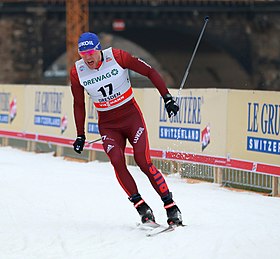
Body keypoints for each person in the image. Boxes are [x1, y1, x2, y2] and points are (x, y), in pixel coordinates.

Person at [70, 32, 183, 226]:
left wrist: (167, 97)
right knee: (117, 161)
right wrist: (80, 134)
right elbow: (78, 104)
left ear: (98, 50)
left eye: (90, 52)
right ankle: (141, 207)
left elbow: (150, 72)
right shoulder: (77, 71)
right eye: (83, 53)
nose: (88, 57)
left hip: (131, 118)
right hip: (108, 125)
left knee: (143, 161)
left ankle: (171, 206)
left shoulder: (117, 56)